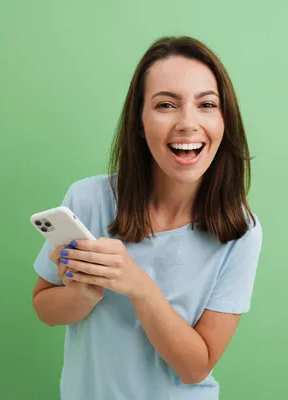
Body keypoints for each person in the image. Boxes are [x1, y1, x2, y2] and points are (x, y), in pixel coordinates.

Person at [31, 35, 263, 399]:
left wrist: (137, 285)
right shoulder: (88, 199)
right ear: (139, 122)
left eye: (206, 104)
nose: (188, 123)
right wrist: (84, 294)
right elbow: (44, 308)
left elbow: (195, 368)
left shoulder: (241, 231)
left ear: (224, 121)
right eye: (166, 104)